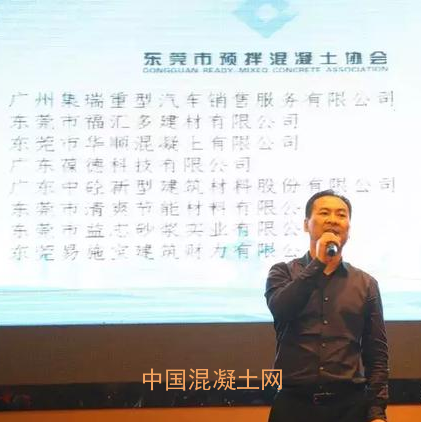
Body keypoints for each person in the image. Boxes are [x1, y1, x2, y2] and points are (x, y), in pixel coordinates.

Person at [265, 190, 388, 422]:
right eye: (324, 213)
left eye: (341, 215)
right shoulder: (282, 273)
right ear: (306, 224)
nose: (333, 220)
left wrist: (377, 412)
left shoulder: (366, 283)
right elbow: (282, 309)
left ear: (349, 228)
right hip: (293, 405)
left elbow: (377, 355)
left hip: (349, 407)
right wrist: (319, 263)